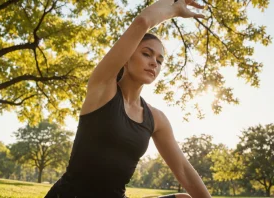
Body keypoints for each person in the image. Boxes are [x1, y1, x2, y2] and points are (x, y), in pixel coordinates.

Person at [45, 0, 212, 197]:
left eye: (159, 61)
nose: (153, 64)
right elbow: (142, 21)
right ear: (126, 56)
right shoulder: (102, 88)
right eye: (146, 54)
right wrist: (173, 6)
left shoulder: (157, 119)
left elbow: (183, 170)